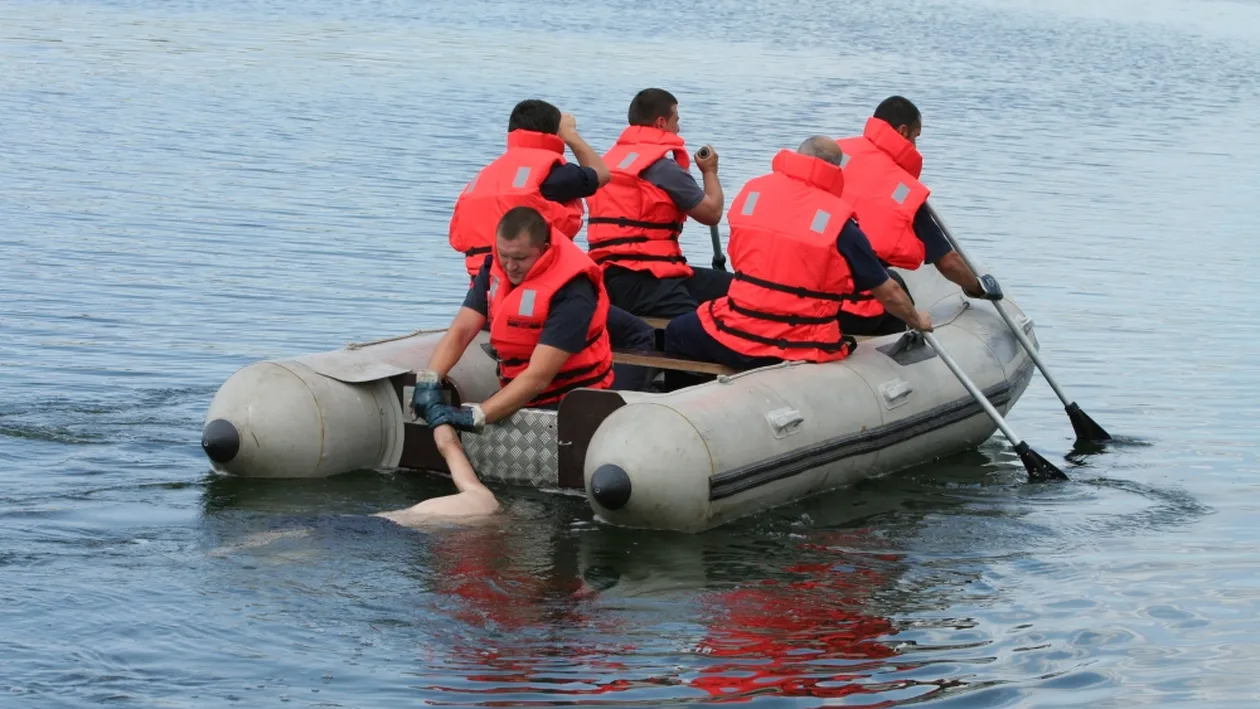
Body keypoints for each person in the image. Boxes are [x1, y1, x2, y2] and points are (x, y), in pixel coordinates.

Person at [664, 137, 931, 371]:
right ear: (836, 170)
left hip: (738, 328)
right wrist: (917, 321)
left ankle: (682, 397)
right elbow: (888, 293)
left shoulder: (753, 193)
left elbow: (738, 256)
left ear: (796, 156)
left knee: (676, 331)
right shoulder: (839, 222)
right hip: (801, 341)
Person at [416, 206, 652, 433]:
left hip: (573, 399)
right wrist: (429, 379)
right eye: (503, 255)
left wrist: (476, 416)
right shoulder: (495, 268)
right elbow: (462, 330)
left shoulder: (573, 289)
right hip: (521, 388)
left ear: (544, 249)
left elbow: (539, 377)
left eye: (520, 258)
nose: (509, 266)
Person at [835, 95, 1001, 335]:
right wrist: (977, 287)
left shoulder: (833, 158)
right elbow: (948, 262)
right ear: (903, 132)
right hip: (852, 308)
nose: (915, 146)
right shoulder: (902, 191)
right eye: (915, 137)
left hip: (809, 297)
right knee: (895, 291)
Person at [585, 88, 731, 318]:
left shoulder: (606, 163)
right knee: (702, 324)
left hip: (608, 274)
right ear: (661, 123)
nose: (678, 128)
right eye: (676, 120)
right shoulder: (663, 169)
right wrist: (710, 171)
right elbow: (712, 213)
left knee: (735, 288)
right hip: (647, 277)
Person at [448, 99, 611, 281]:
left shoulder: (481, 178)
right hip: (529, 279)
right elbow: (602, 174)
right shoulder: (552, 174)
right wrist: (571, 135)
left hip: (482, 282)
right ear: (556, 134)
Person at [374, 408, 500, 525]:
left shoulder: (483, 500)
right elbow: (448, 445)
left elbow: (448, 444)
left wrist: (436, 413)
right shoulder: (485, 504)